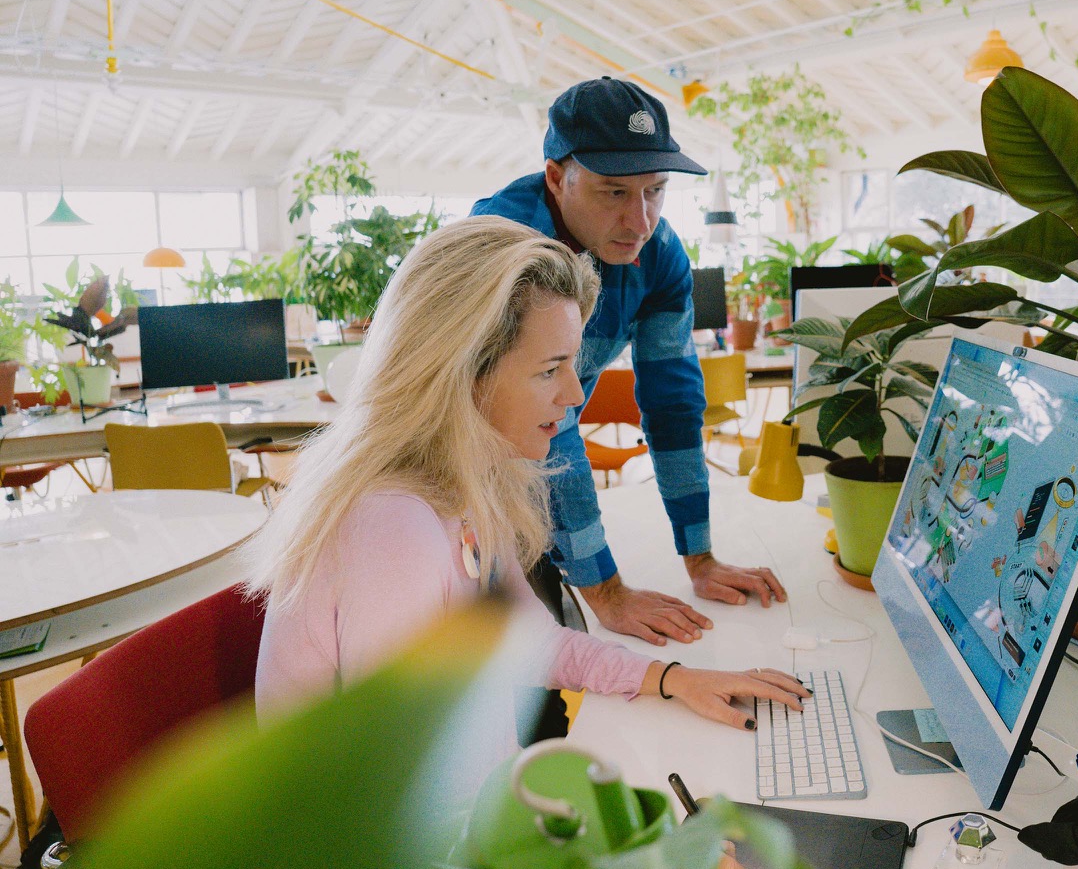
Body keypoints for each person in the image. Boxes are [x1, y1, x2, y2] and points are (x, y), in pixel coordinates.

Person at [245, 218, 808, 767]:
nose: (573, 395)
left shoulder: (463, 485)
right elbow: (403, 798)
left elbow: (530, 642)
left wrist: (672, 680)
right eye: (550, 369)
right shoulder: (393, 528)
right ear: (463, 373)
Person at [471, 78, 786, 647]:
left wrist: (701, 557)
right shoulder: (508, 254)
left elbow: (672, 402)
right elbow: (552, 422)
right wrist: (608, 593)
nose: (640, 221)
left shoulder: (659, 254)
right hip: (448, 481)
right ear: (555, 177)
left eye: (655, 191)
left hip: (528, 471)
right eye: (613, 192)